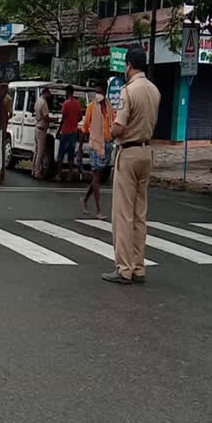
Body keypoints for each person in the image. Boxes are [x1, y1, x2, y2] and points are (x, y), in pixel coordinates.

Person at [102, 45, 161, 285]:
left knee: (123, 213)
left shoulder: (128, 92)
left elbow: (120, 126)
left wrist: (111, 132)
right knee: (139, 213)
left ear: (128, 65)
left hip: (128, 153)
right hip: (147, 152)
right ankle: (138, 266)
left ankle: (124, 268)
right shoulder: (154, 91)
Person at [81, 84, 114, 220]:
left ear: (104, 93)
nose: (97, 95)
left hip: (107, 143)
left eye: (100, 92)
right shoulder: (91, 107)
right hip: (95, 143)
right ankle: (99, 209)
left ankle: (85, 199)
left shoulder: (109, 107)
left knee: (98, 176)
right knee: (96, 176)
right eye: (96, 92)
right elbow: (84, 128)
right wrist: (79, 149)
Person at [56, 85, 82, 181]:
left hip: (66, 131)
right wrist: (74, 121)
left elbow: (63, 118)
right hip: (74, 132)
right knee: (71, 155)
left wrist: (59, 131)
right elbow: (80, 117)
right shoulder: (78, 103)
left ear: (67, 92)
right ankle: (69, 175)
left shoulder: (65, 104)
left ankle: (59, 175)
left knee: (61, 154)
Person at [32, 88, 52, 179]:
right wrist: (52, 120)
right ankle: (37, 172)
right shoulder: (44, 102)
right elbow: (46, 116)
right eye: (49, 94)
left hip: (37, 127)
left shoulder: (38, 101)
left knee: (36, 151)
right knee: (40, 152)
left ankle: (33, 170)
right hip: (42, 128)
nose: (49, 96)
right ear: (46, 93)